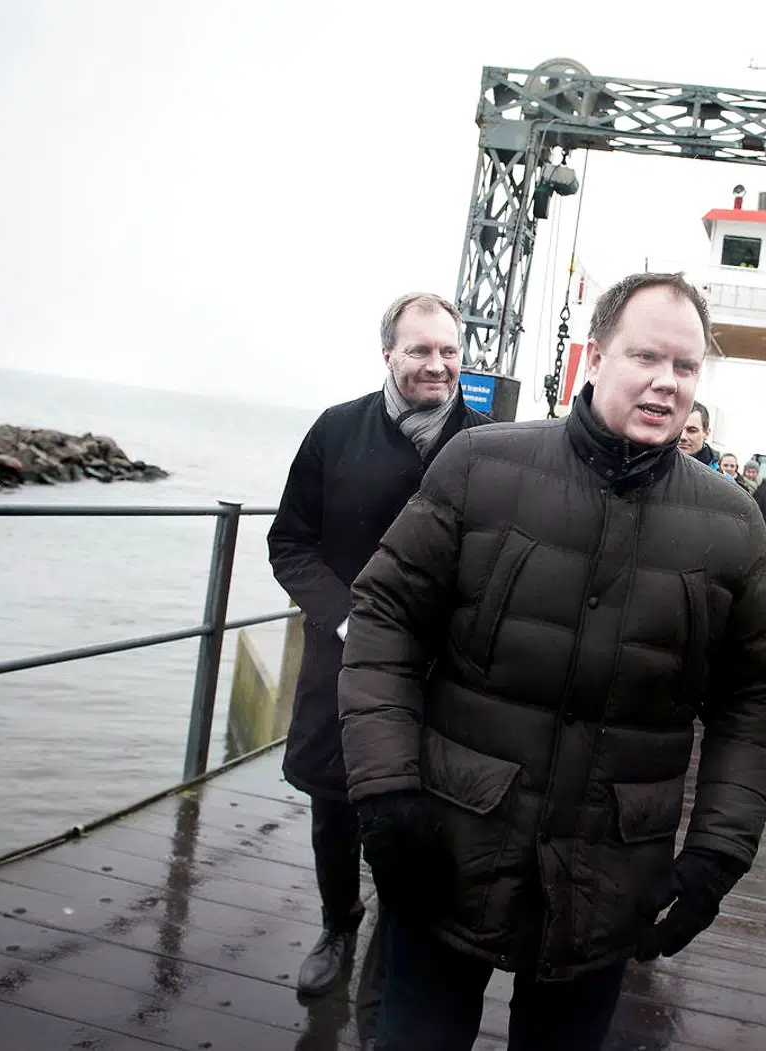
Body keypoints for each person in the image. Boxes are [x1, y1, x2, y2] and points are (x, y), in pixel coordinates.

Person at [338, 272, 766, 1051]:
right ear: (594, 357)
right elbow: (384, 618)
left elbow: (752, 697)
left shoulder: (731, 526)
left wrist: (719, 849)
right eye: (645, 356)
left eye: (685, 367)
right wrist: (384, 791)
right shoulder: (480, 466)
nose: (666, 382)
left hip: (607, 878)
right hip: (448, 853)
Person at [266, 293, 490, 1045]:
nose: (437, 364)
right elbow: (289, 541)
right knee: (335, 803)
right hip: (342, 662)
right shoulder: (336, 430)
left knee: (422, 813)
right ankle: (338, 924)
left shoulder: (487, 444)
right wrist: (344, 615)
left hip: (439, 676)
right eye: (420, 350)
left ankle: (391, 951)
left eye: (449, 351)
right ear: (388, 354)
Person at [678, 400, 718, 468]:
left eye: (692, 430)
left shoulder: (721, 478)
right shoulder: (656, 469)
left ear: (706, 433)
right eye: (678, 429)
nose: (682, 437)